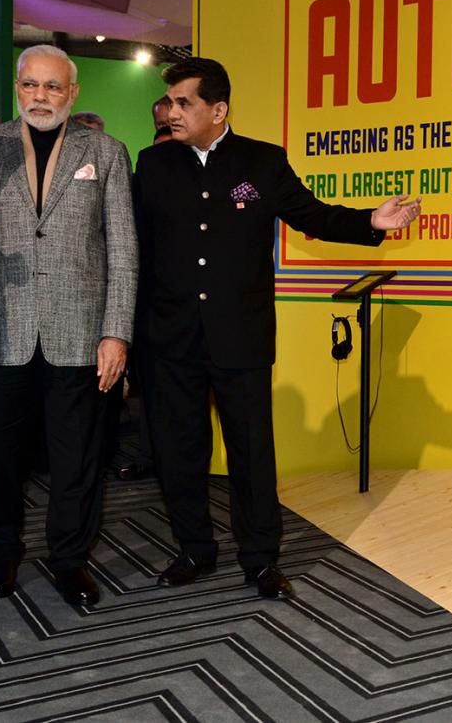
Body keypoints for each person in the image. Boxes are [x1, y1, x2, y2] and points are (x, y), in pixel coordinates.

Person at [132, 57, 420, 599]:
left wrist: (370, 223)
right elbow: (135, 252)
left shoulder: (262, 162)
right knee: (179, 451)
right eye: (170, 102)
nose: (172, 111)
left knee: (252, 453)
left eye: (183, 102)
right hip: (168, 340)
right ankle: (194, 548)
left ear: (218, 110)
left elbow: (311, 215)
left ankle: (260, 558)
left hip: (240, 337)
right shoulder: (152, 165)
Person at [0, 45, 137, 609]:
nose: (41, 96)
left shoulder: (106, 151)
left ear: (73, 93)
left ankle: (69, 560)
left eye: (53, 87)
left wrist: (117, 331)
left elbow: (123, 250)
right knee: (0, 456)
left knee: (77, 457)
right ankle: (2, 553)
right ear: (17, 87)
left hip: (80, 332)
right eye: (31, 85)